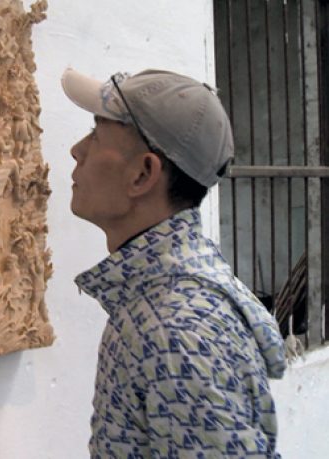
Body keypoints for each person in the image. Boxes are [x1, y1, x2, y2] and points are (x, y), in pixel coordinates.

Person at [61, 68, 286, 457]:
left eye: (97, 135)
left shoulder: (174, 328)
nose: (77, 150)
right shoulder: (160, 296)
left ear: (143, 174)